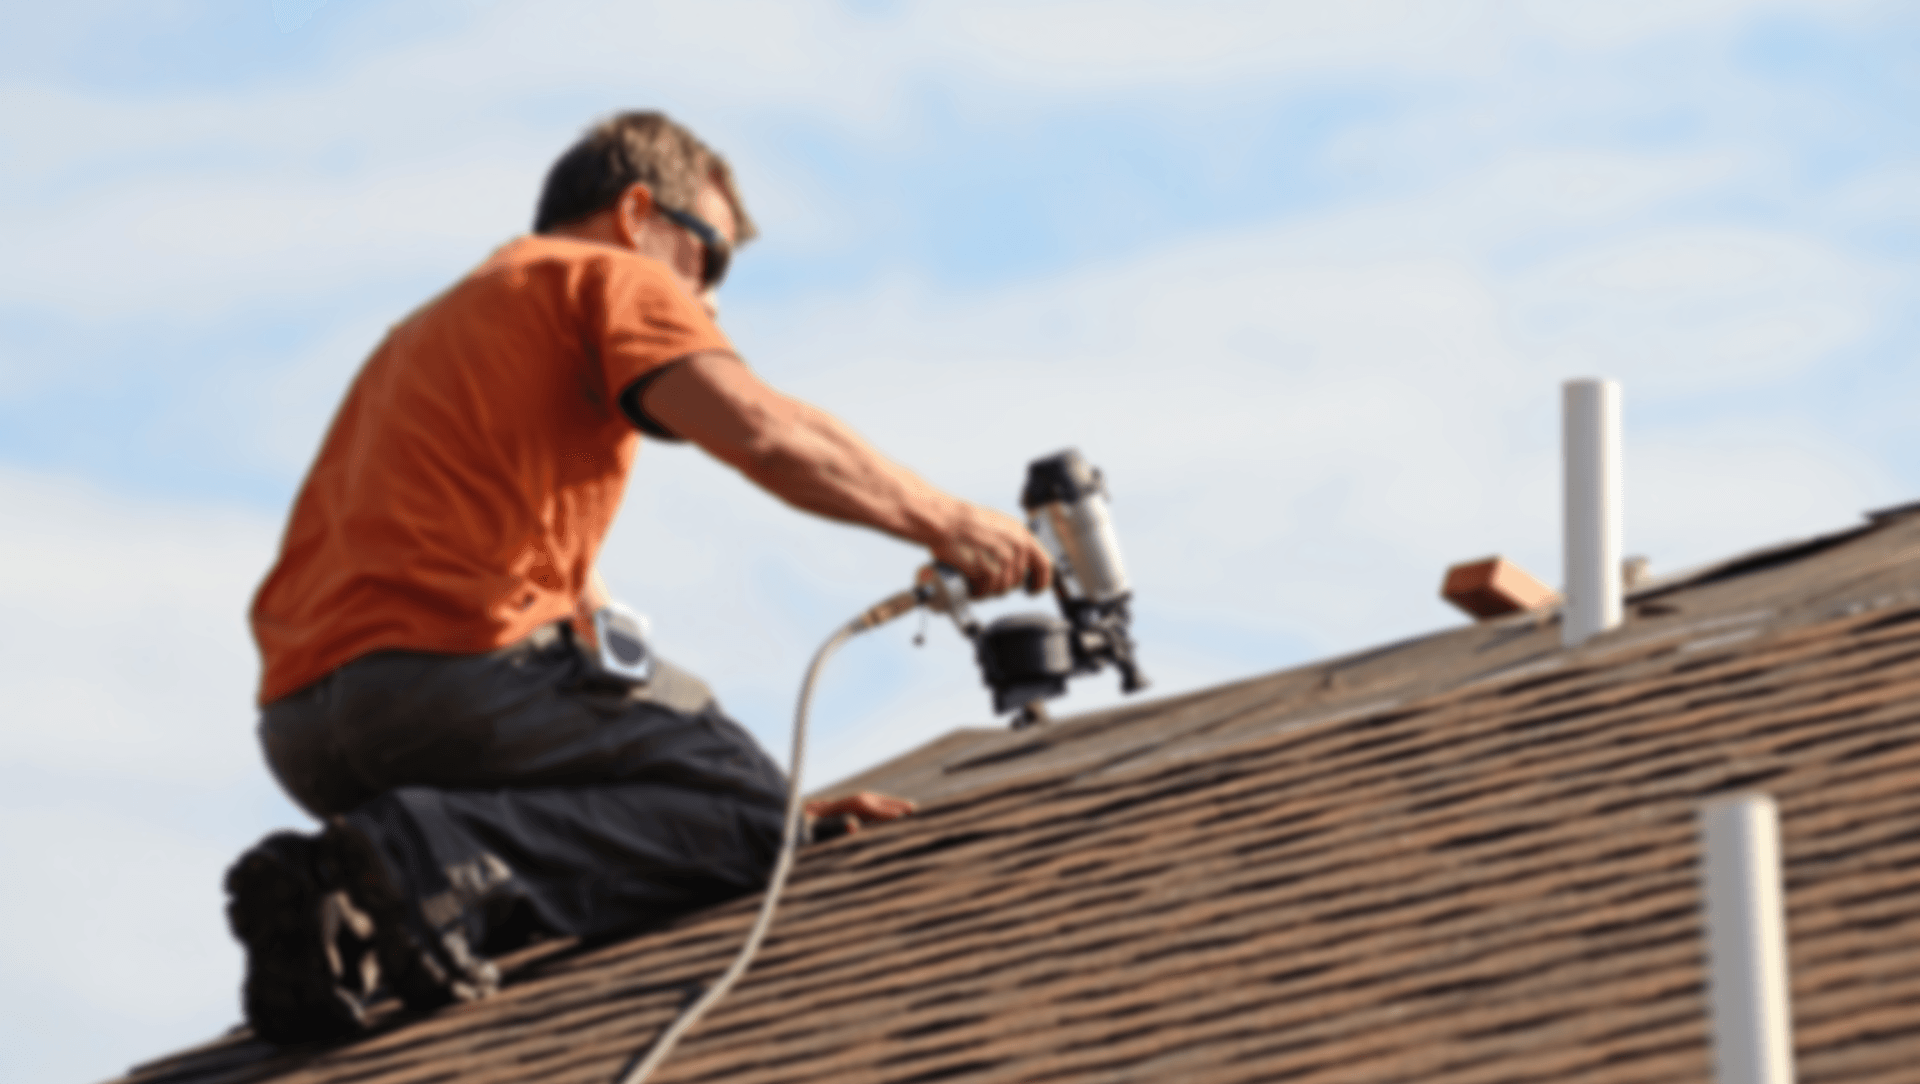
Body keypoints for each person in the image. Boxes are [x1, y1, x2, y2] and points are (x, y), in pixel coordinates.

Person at [227, 110, 1052, 1044]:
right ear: (635, 213)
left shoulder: (430, 333)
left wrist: (697, 793)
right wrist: (951, 522)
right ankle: (421, 856)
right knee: (748, 820)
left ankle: (344, 919)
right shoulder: (607, 275)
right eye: (710, 259)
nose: (710, 302)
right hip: (451, 681)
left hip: (304, 729)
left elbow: (568, 608)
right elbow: (762, 431)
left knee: (692, 808)